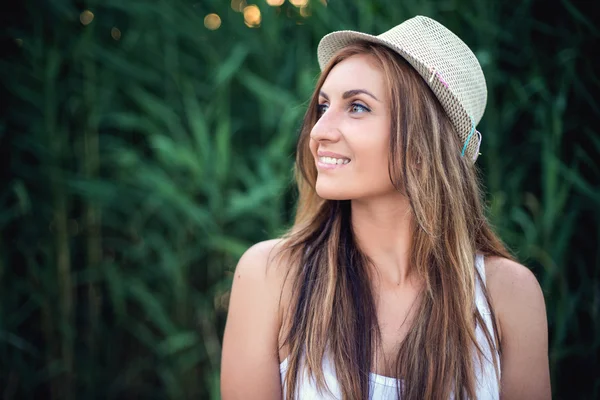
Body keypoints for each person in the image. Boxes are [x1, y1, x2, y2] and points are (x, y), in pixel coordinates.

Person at [220, 15, 550, 400]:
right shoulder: (270, 278)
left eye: (357, 107)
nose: (319, 131)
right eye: (324, 106)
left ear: (423, 144)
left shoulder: (508, 295)